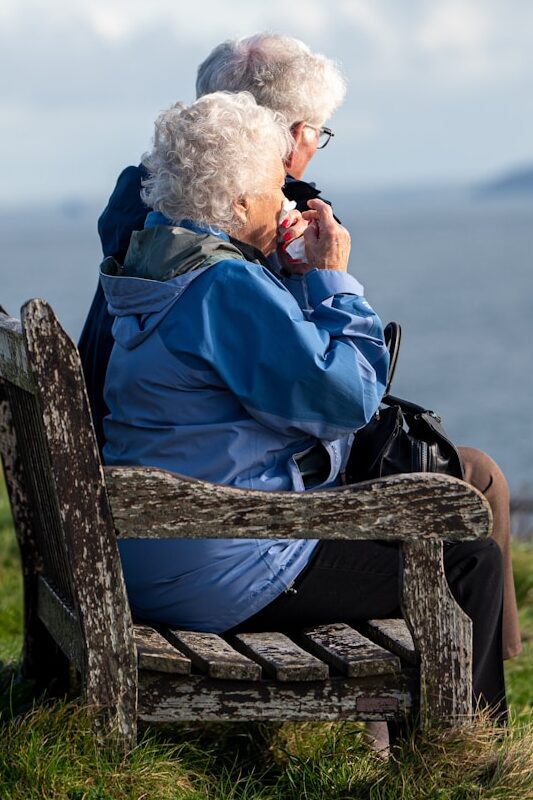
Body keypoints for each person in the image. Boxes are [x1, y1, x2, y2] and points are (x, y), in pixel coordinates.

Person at [80, 31, 521, 668]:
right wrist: (328, 278)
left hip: (153, 508)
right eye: (313, 133)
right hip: (220, 544)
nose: (288, 188)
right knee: (464, 547)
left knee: (445, 499)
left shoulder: (151, 242)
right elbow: (339, 404)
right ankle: (465, 743)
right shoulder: (222, 281)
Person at [79, 33, 345, 453]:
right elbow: (332, 398)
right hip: (207, 476)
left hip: (109, 439)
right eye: (318, 131)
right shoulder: (233, 255)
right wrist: (327, 278)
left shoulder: (147, 211)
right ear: (292, 136)